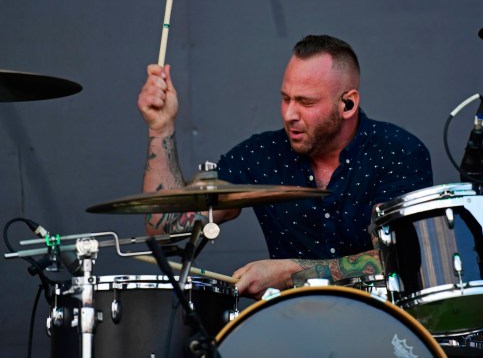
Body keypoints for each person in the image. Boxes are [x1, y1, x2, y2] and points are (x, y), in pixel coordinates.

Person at [138, 34, 433, 299]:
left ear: (347, 104)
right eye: (285, 98)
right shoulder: (261, 154)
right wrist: (161, 129)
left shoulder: (397, 151)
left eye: (306, 102)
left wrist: (288, 273)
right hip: (291, 329)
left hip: (382, 328)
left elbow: (398, 261)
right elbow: (166, 229)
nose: (290, 113)